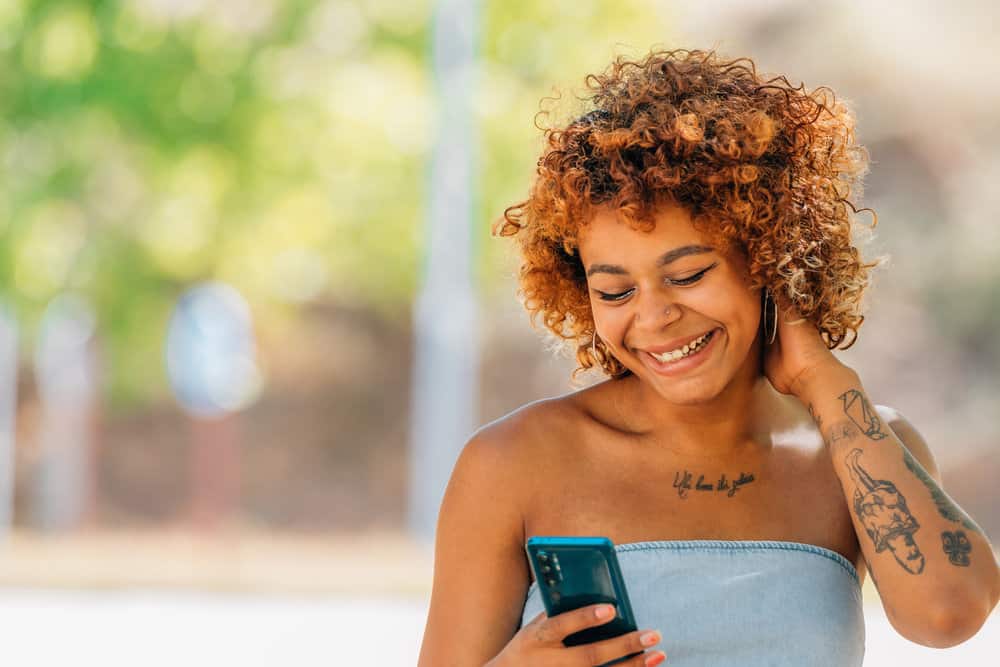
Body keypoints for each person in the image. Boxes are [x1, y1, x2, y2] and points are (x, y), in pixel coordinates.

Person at [417, 48, 999, 667]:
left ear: (768, 256)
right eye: (615, 291)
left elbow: (948, 616)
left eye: (689, 274)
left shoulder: (859, 447)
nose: (654, 316)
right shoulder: (513, 462)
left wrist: (827, 385)